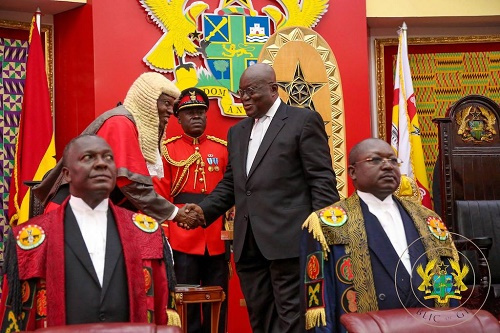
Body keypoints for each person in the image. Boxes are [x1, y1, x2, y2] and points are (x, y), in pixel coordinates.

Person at [186, 63, 339, 332]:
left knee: (293, 319)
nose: (243, 98)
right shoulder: (237, 132)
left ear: (273, 89)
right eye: (240, 92)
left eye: (250, 91)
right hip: (249, 245)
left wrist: (320, 234)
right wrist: (202, 211)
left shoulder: (302, 121)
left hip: (290, 242)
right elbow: (232, 184)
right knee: (261, 317)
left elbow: (322, 181)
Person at [0, 135, 179, 330]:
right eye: (88, 157)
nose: (102, 164)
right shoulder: (30, 239)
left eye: (108, 157)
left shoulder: (146, 232)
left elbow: (162, 312)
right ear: (67, 174)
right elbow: (15, 318)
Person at [301, 138, 460, 332]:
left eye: (393, 161)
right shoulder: (326, 223)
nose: (387, 166)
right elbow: (318, 305)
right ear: (353, 172)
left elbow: (449, 286)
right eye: (375, 160)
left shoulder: (428, 219)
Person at [32, 72, 198, 227]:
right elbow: (131, 184)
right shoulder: (120, 123)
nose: (171, 111)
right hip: (72, 216)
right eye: (166, 103)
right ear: (147, 100)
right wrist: (175, 213)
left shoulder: (129, 124)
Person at [154, 87, 229, 333]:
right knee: (184, 301)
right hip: (181, 237)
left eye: (200, 112)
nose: (196, 116)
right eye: (189, 112)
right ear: (179, 118)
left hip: (216, 237)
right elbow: (161, 195)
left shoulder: (222, 149)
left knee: (218, 298)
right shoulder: (168, 150)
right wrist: (167, 233)